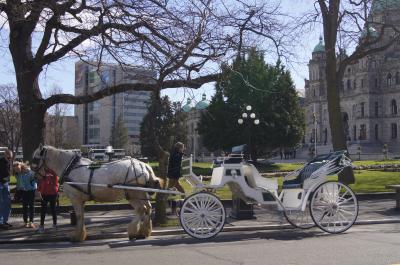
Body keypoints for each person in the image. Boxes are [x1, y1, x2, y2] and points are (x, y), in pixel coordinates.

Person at [14, 162, 37, 228]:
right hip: (24, 191)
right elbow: (19, 182)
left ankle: (31, 222)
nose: (17, 171)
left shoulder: (30, 172)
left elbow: (34, 181)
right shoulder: (18, 174)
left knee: (31, 206)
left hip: (31, 190)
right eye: (16, 170)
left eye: (18, 169)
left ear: (21, 167)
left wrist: (33, 185)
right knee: (24, 207)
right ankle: (25, 222)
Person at [37, 168, 59, 233]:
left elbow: (56, 179)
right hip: (44, 194)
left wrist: (47, 172)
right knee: (43, 210)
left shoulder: (53, 173)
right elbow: (40, 183)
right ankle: (41, 226)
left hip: (53, 194)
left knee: (53, 210)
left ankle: (55, 225)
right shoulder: (42, 174)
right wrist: (38, 190)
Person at [167, 142, 185, 213]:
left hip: (173, 175)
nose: (183, 150)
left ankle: (183, 204)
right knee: (168, 192)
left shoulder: (174, 153)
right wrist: (181, 154)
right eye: (182, 148)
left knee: (176, 190)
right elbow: (176, 162)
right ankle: (174, 208)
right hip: (174, 175)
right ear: (180, 148)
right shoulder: (177, 154)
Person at [0, 150, 13, 229]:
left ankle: (4, 221)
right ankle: (1, 222)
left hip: (5, 183)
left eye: (11, 158)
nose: (10, 159)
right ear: (5, 155)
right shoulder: (1, 162)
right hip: (1, 184)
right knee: (1, 203)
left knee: (7, 202)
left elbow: (7, 173)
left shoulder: (8, 162)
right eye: (8, 157)